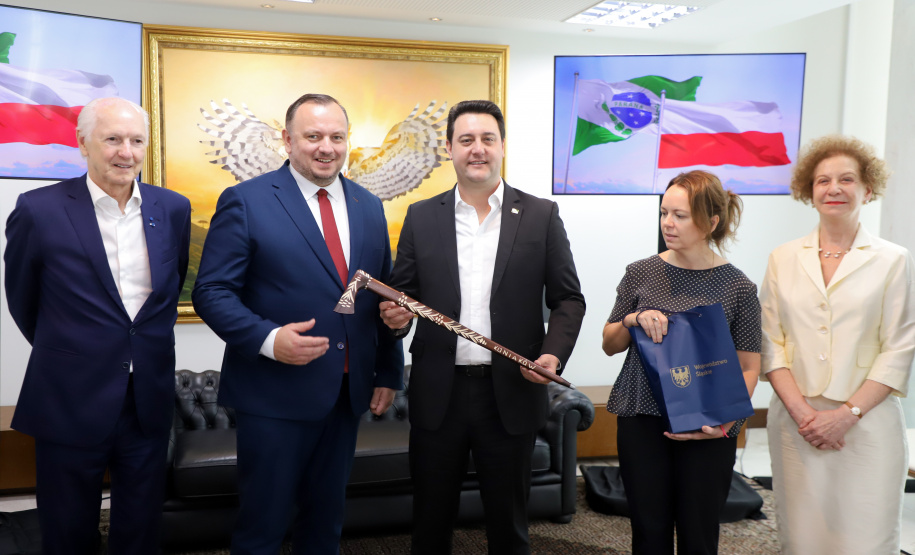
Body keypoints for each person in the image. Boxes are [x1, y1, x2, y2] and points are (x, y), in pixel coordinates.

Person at [192, 93, 404, 554]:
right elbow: (210, 292)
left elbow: (379, 294)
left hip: (346, 396)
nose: (326, 147)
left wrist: (388, 369)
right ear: (287, 141)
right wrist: (268, 340)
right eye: (313, 136)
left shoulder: (369, 206)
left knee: (325, 523)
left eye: (336, 136)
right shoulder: (246, 201)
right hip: (273, 395)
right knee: (262, 526)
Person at [379, 99, 585, 555]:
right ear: (450, 148)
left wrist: (552, 354)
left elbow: (569, 298)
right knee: (430, 524)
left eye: (487, 139)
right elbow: (401, 298)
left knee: (509, 526)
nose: (478, 149)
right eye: (466, 140)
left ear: (503, 147)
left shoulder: (540, 215)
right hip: (438, 395)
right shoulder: (421, 216)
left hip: (510, 394)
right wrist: (394, 321)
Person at [4, 97, 191, 554]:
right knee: (67, 529)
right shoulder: (38, 209)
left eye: (136, 140)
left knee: (140, 526)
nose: (125, 152)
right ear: (82, 143)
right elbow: (23, 300)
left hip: (146, 397)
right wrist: (72, 349)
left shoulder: (173, 209)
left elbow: (170, 288)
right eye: (112, 139)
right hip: (69, 395)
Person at [759, 135, 914, 554]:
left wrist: (846, 415)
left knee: (867, 540)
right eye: (823, 180)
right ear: (809, 191)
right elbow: (769, 341)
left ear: (868, 188)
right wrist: (802, 412)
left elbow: (900, 347)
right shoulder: (783, 258)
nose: (834, 188)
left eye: (847, 179)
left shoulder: (891, 259)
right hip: (797, 425)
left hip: (866, 425)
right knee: (802, 539)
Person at [600, 170, 761, 555]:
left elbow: (749, 367)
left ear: (712, 222)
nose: (668, 224)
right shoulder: (641, 272)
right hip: (642, 418)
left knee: (699, 534)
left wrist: (724, 426)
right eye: (663, 213)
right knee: (648, 530)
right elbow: (609, 344)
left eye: (681, 216)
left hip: (708, 425)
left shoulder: (739, 286)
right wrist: (632, 319)